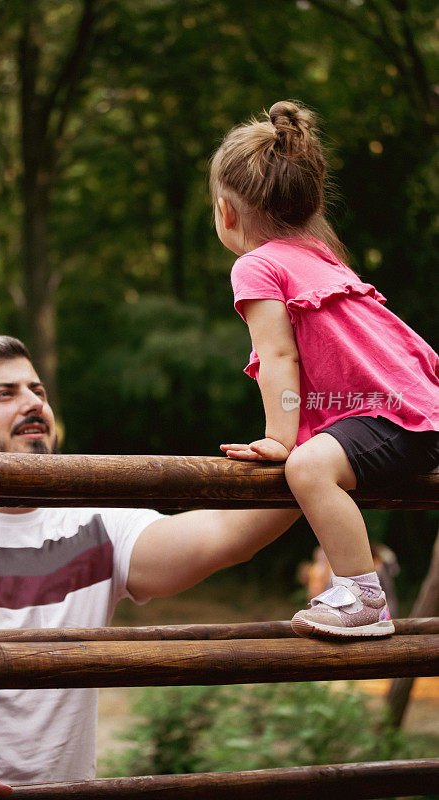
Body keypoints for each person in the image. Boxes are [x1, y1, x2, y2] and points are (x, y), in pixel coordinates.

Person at [0, 335, 303, 796]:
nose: (33, 403)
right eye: (4, 394)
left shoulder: (94, 521)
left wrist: (317, 446)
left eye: (38, 391)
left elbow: (223, 536)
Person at [210, 100, 439, 639]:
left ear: (226, 212)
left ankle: (362, 597)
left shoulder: (257, 265)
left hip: (394, 415)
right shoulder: (318, 252)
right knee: (318, 461)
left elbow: (282, 359)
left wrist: (279, 439)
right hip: (418, 404)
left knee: (308, 469)